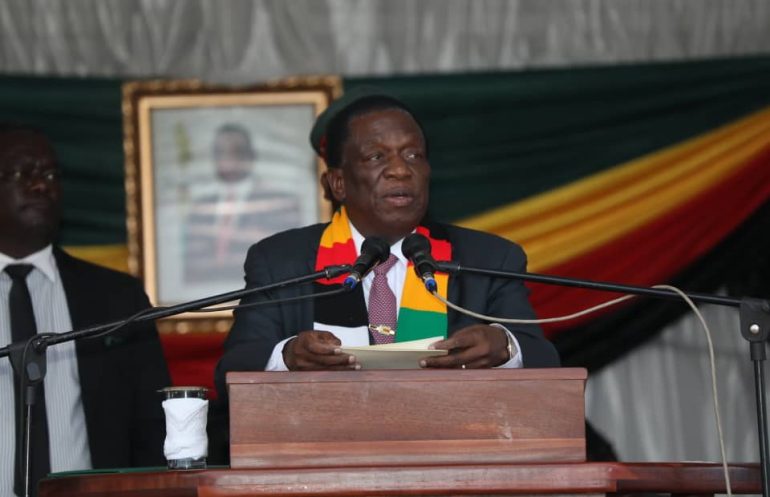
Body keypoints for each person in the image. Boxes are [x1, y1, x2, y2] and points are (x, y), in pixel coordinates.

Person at [215, 88, 559, 396]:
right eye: (376, 157)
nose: (400, 170)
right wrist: (288, 356)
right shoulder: (280, 262)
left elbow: (545, 360)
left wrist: (505, 346)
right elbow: (234, 367)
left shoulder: (488, 259)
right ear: (338, 183)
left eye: (413, 155)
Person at [0, 125, 171, 496]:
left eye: (50, 175)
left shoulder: (116, 297)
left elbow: (152, 426)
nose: (40, 185)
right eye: (23, 173)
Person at [184, 123, 302, 284]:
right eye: (220, 151)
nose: (227, 157)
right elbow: (192, 269)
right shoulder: (199, 209)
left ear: (251, 155)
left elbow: (288, 266)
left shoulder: (281, 204)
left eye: (236, 151)